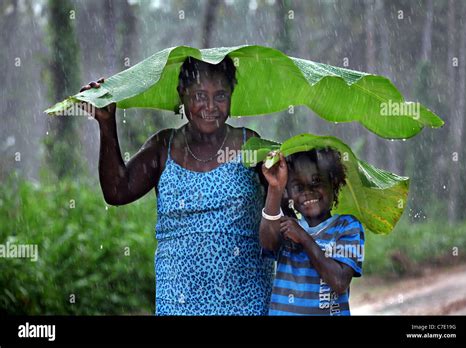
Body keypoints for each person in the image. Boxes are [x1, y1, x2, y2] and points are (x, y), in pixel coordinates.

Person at [80, 56, 273, 315]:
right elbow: (117, 191)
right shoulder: (163, 147)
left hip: (246, 301)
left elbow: (280, 210)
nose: (210, 106)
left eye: (220, 95)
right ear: (182, 95)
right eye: (200, 95)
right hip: (178, 302)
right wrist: (106, 124)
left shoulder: (249, 145)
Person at [259, 148, 364, 315]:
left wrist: (303, 237)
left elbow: (339, 281)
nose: (307, 191)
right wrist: (275, 187)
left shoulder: (347, 226)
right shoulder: (287, 226)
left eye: (316, 181)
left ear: (333, 182)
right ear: (289, 193)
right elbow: (268, 242)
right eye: (298, 186)